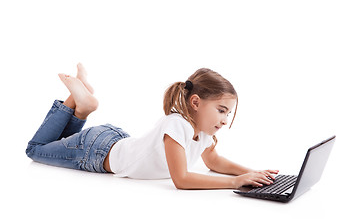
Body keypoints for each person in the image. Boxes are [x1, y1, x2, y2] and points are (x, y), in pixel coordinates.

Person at [26, 63, 279, 189]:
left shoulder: (200, 132)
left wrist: (252, 173)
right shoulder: (177, 126)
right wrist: (235, 183)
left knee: (54, 146)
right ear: (195, 103)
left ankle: (81, 105)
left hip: (110, 142)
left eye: (228, 113)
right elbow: (181, 179)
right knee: (36, 149)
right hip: (96, 151)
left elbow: (214, 162)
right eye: (221, 111)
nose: (225, 119)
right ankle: (76, 101)